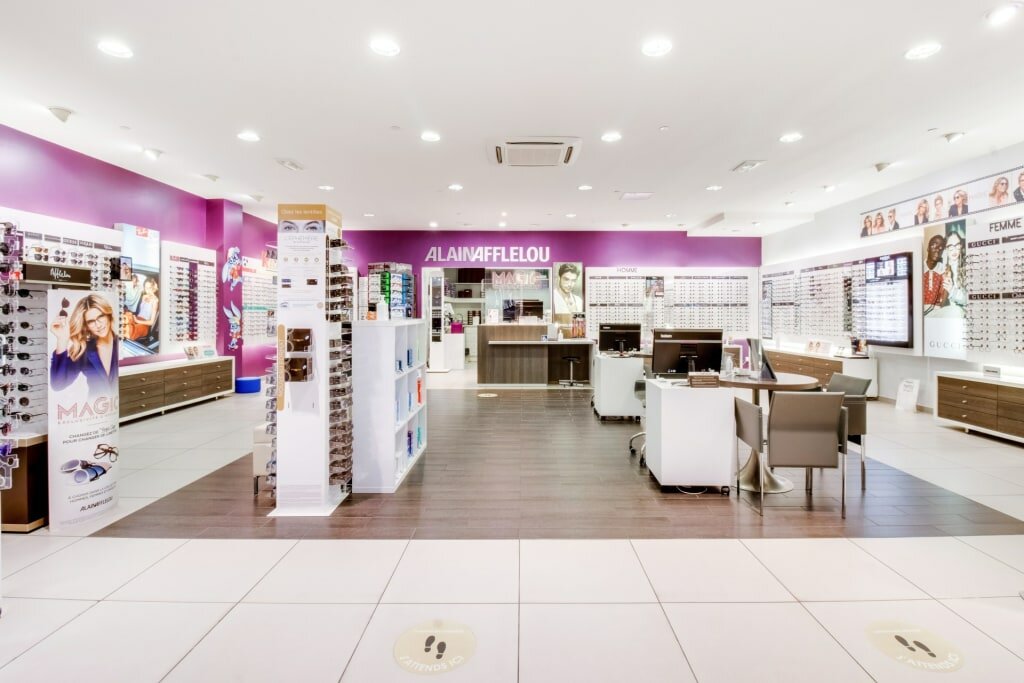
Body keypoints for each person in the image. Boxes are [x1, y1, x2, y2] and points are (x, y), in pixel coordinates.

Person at [50, 294, 118, 397]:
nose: (98, 325)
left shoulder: (122, 344)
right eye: (91, 321)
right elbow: (57, 384)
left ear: (108, 315)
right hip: (95, 406)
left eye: (100, 316)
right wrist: (62, 340)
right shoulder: (84, 351)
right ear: (86, 326)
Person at [126, 276, 159, 340]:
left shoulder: (155, 300)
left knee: (129, 330)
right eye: (146, 288)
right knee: (125, 317)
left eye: (149, 288)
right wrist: (134, 318)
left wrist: (137, 321)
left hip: (145, 324)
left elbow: (151, 322)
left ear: (153, 288)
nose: (147, 290)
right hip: (137, 319)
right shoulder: (144, 296)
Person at [942, 231, 967, 309]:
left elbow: (968, 299)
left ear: (961, 246)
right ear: (945, 249)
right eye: (950, 246)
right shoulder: (943, 267)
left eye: (957, 245)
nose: (954, 250)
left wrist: (952, 290)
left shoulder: (966, 266)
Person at [922, 235, 947, 310]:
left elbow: (943, 301)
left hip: (938, 312)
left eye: (941, 248)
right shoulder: (918, 269)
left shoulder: (944, 271)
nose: (937, 250)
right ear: (928, 248)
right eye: (934, 245)